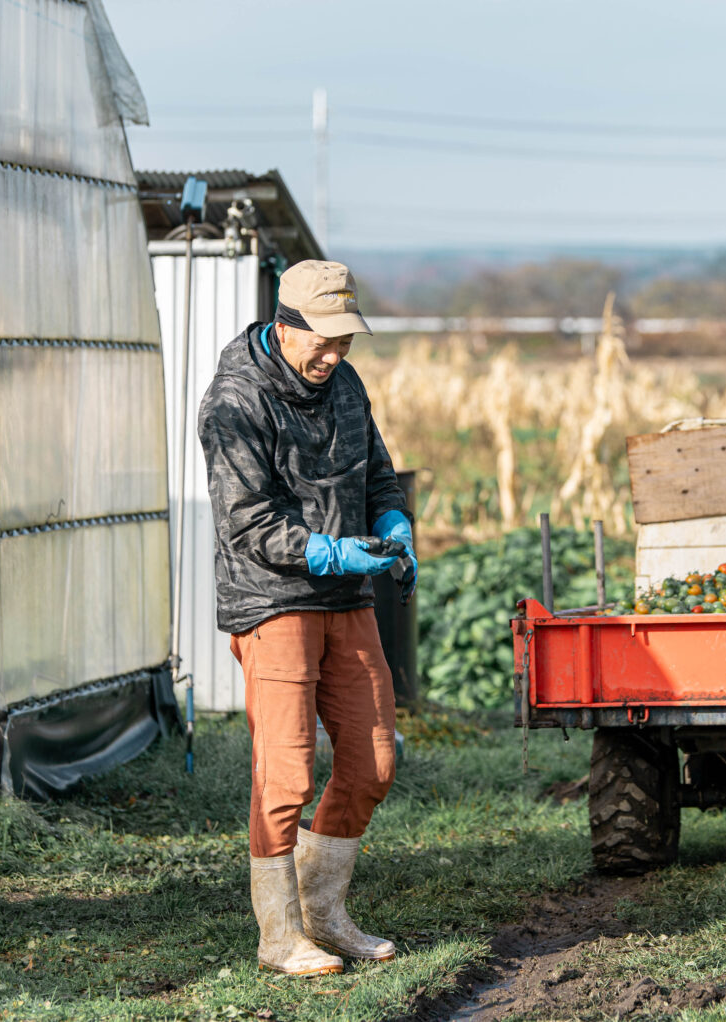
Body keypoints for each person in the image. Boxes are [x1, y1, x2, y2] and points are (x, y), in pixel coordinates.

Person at [198, 259, 416, 977]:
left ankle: (325, 912)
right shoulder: (234, 400)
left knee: (374, 760)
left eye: (345, 342)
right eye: (322, 341)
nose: (334, 356)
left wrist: (392, 520)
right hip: (271, 598)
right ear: (284, 324)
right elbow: (246, 520)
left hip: (346, 594)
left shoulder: (344, 383)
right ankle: (279, 933)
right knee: (286, 775)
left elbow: (378, 471)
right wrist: (323, 550)